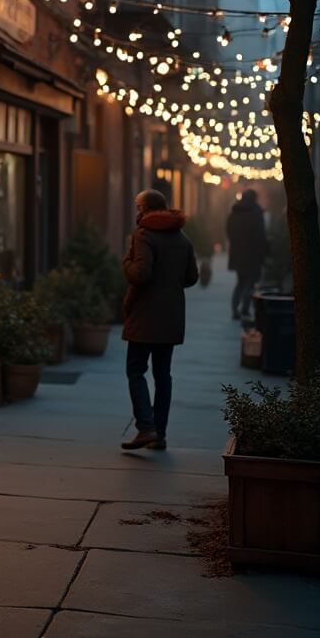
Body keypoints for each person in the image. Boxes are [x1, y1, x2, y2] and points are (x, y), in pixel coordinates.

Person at [120, 189, 199, 451]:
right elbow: (191, 278)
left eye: (138, 206)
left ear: (148, 209)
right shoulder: (182, 238)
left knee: (136, 370)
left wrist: (126, 263)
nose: (137, 211)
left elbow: (140, 274)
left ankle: (146, 427)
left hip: (144, 315)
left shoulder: (144, 235)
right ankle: (160, 434)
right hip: (171, 316)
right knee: (163, 375)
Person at [226, 189, 267, 320]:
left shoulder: (234, 212)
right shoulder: (256, 213)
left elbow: (228, 231)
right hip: (253, 254)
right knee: (250, 282)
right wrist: (264, 253)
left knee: (240, 282)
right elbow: (260, 235)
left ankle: (235, 309)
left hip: (238, 253)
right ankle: (244, 308)